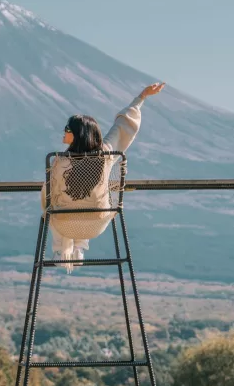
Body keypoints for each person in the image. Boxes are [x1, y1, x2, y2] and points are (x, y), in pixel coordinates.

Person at [45, 82, 165, 269]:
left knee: (49, 198)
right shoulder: (106, 155)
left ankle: (61, 249)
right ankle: (79, 247)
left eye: (67, 130)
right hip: (98, 223)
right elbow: (123, 125)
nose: (64, 132)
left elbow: (50, 195)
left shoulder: (59, 161)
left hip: (63, 224)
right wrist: (142, 96)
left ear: (77, 134)